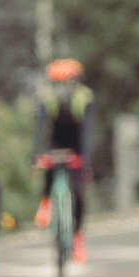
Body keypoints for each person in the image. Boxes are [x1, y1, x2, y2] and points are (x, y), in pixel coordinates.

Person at [31, 57, 96, 263]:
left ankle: (77, 235)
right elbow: (41, 128)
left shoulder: (85, 98)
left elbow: (87, 131)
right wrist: (37, 155)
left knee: (79, 190)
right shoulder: (47, 99)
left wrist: (85, 159)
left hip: (76, 144)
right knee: (49, 171)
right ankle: (46, 202)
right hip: (56, 143)